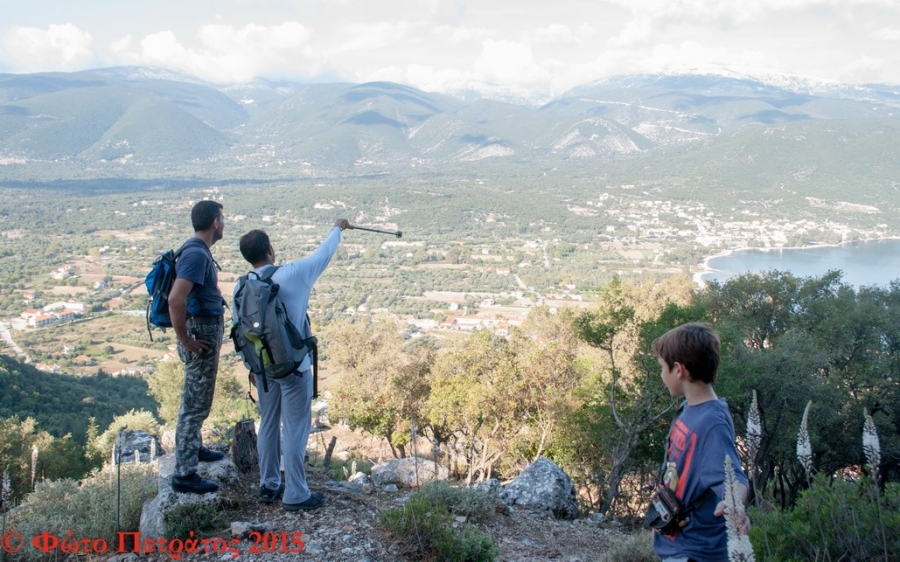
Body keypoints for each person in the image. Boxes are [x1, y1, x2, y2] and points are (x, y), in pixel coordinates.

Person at [236, 219, 350, 511]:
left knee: (269, 424)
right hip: (293, 368)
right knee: (296, 428)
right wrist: (336, 228)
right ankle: (296, 494)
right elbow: (324, 254)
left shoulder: (242, 285)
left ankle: (269, 484)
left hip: (262, 369)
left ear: (249, 257)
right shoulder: (294, 274)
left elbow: (242, 331)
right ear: (271, 249)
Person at [652, 322, 750, 562]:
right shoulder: (689, 408)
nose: (661, 374)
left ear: (679, 370)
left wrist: (734, 504)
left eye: (662, 367)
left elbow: (733, 476)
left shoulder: (712, 422)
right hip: (677, 541)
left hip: (696, 551)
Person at [169, 200, 227, 494]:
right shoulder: (196, 255)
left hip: (201, 332)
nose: (224, 223)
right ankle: (184, 473)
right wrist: (187, 341)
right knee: (194, 406)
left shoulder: (197, 251)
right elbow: (175, 299)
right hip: (199, 335)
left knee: (197, 399)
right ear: (215, 222)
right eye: (223, 218)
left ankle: (195, 448)